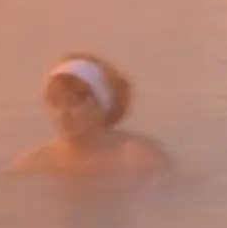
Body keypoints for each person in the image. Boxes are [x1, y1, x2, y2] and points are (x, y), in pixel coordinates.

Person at [15, 54, 171, 175]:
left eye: (74, 103)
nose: (63, 113)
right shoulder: (38, 162)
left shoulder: (139, 157)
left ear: (102, 106)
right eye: (55, 103)